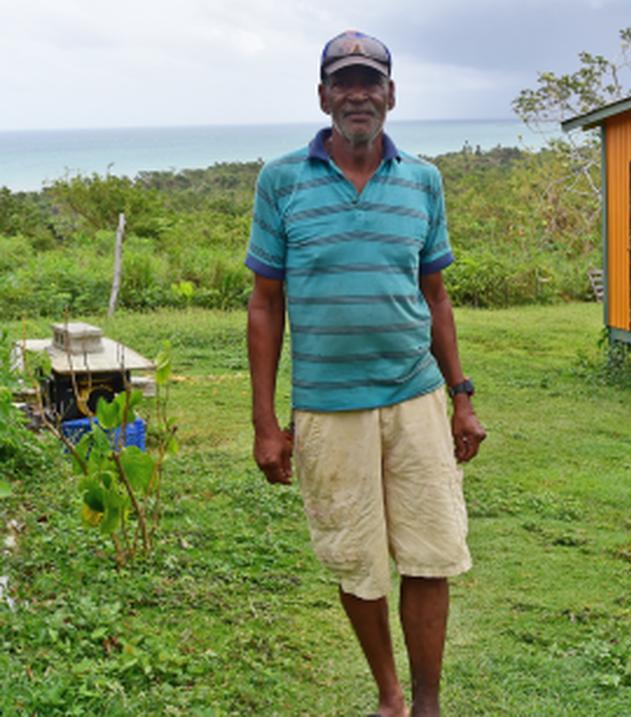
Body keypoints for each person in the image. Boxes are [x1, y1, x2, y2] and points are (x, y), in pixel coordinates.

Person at [245, 30, 485, 717]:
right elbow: (265, 304)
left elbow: (435, 295)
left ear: (391, 95)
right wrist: (266, 421)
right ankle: (391, 695)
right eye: (343, 83)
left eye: (370, 82)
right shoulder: (282, 180)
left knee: (431, 551)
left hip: (415, 396)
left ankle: (431, 703)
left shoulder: (422, 181)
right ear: (323, 96)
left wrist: (462, 398)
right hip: (326, 406)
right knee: (356, 557)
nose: (358, 95)